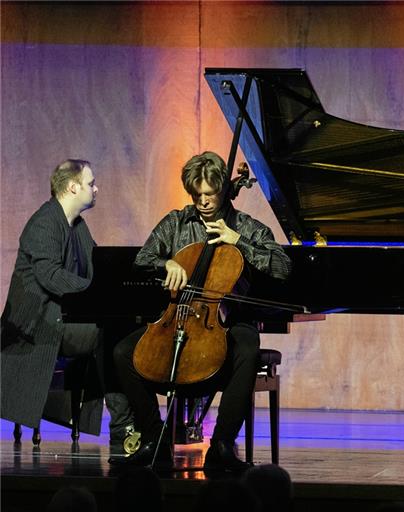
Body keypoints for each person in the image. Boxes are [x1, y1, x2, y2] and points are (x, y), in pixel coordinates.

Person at [109, 151, 291, 472]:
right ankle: (155, 441)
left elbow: (282, 267)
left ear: (223, 189)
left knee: (247, 347)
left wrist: (239, 242)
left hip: (226, 320)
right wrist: (165, 262)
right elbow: (141, 260)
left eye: (210, 194)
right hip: (177, 316)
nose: (204, 201)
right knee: (124, 352)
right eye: (197, 195)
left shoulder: (245, 227)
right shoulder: (176, 222)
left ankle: (221, 446)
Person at [1, 159, 133, 449]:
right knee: (106, 331)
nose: (96, 188)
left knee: (125, 324)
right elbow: (50, 275)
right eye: (90, 183)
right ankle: (123, 425)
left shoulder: (77, 226)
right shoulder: (46, 222)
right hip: (39, 324)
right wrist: (95, 291)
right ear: (73, 187)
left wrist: (118, 286)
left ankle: (131, 419)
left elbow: (98, 265)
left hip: (65, 318)